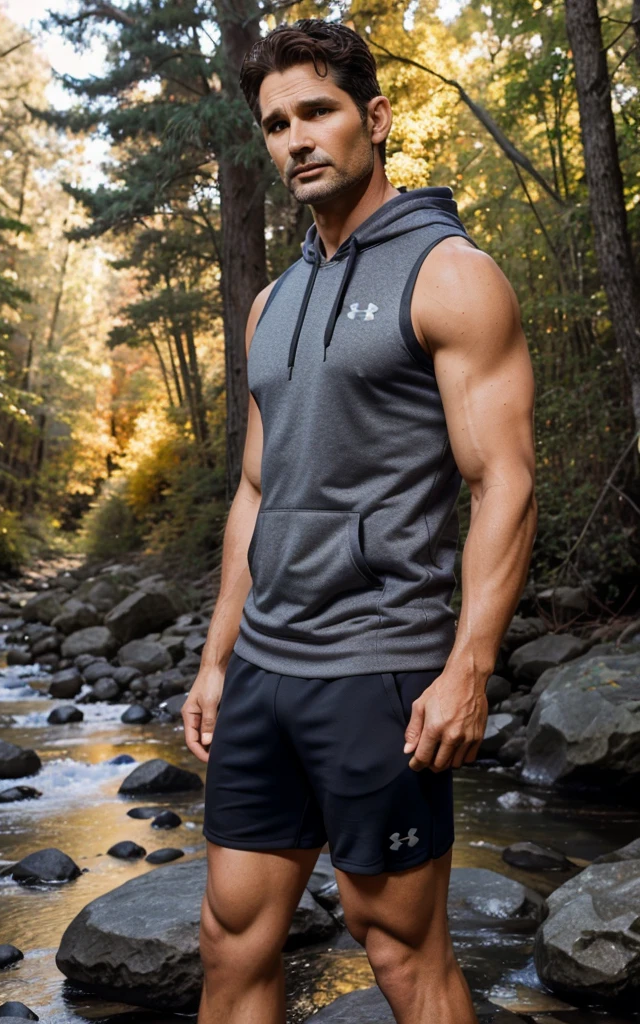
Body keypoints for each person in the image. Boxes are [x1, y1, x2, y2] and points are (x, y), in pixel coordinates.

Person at [182, 17, 537, 1024]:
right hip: (265, 669)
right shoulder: (272, 302)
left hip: (379, 667)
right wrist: (216, 657)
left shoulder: (449, 274)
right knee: (227, 938)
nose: (294, 138)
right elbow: (256, 490)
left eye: (317, 112)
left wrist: (467, 664)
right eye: (275, 122)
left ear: (372, 120)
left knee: (398, 950)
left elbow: (502, 480)